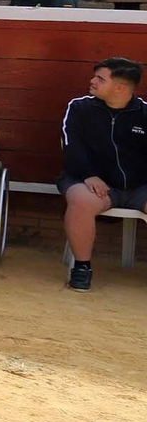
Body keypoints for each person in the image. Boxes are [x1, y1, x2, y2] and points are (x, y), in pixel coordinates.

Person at [59, 58, 147, 292]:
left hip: (140, 187)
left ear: (120, 87)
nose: (92, 81)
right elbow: (70, 145)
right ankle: (82, 267)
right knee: (81, 201)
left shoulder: (144, 113)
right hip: (88, 181)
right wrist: (88, 174)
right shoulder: (79, 108)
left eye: (100, 78)